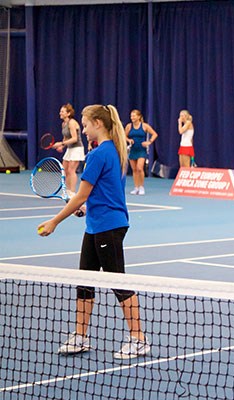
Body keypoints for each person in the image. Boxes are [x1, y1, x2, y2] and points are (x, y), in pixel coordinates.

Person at [38, 104, 151, 360]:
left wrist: (55, 221)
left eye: (86, 125)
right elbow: (103, 192)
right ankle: (80, 336)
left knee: (118, 283)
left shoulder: (99, 154)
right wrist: (87, 208)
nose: (85, 129)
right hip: (98, 224)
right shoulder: (114, 151)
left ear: (98, 124)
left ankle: (138, 339)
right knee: (85, 282)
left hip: (108, 227)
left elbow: (80, 195)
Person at [53, 103, 84, 195]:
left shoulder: (72, 123)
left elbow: (75, 138)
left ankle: (72, 192)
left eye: (62, 111)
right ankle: (67, 191)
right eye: (60, 111)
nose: (60, 113)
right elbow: (66, 138)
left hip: (77, 148)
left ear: (68, 113)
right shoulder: (64, 124)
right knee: (65, 170)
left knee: (71, 170)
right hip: (69, 149)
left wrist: (61, 143)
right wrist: (61, 146)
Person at [124, 109, 158, 195]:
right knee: (134, 170)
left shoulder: (144, 126)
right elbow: (124, 136)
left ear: (139, 117)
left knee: (139, 168)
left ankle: (142, 187)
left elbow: (154, 134)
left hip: (141, 150)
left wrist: (149, 142)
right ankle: (136, 187)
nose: (132, 117)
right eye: (131, 116)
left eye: (134, 116)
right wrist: (129, 140)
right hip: (132, 150)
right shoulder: (129, 126)